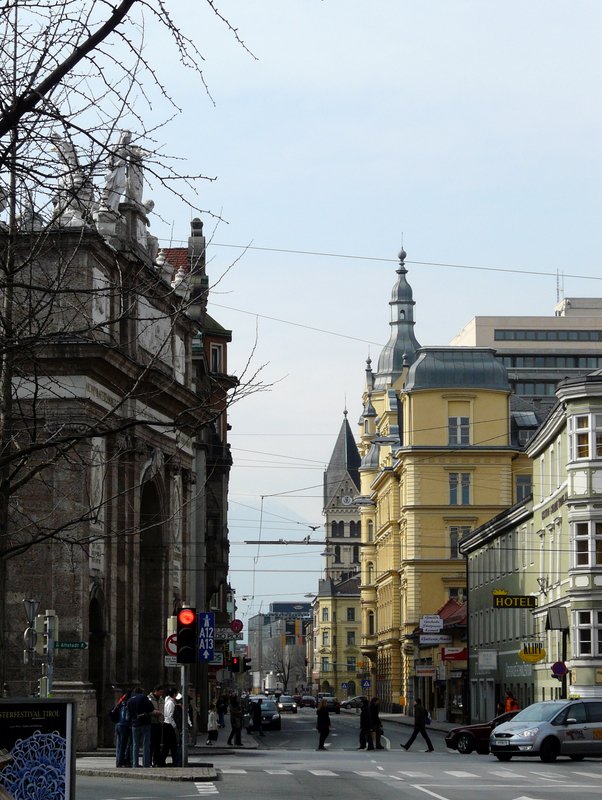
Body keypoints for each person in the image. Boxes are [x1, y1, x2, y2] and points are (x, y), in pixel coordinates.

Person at [128, 687, 154, 767]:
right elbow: (151, 708)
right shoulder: (144, 698)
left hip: (135, 724)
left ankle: (135, 764)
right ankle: (145, 763)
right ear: (141, 692)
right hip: (145, 723)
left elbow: (129, 713)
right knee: (145, 744)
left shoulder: (130, 700)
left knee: (135, 745)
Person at [161, 688, 180, 766]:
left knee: (168, 745)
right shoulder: (170, 703)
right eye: (176, 694)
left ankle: (163, 761)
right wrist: (174, 726)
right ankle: (164, 761)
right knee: (171, 745)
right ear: (174, 694)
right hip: (169, 725)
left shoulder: (169, 702)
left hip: (167, 724)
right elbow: (169, 715)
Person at [148, 685, 165, 767]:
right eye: (160, 692)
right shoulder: (149, 698)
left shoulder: (161, 699)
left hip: (159, 723)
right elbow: (148, 710)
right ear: (156, 691)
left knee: (158, 744)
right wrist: (155, 713)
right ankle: (149, 761)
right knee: (151, 743)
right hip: (152, 722)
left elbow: (163, 709)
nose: (161, 694)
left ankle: (156, 761)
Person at [114, 690, 132, 767]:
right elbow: (127, 717)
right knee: (123, 746)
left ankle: (118, 761)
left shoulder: (120, 703)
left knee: (119, 745)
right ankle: (121, 762)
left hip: (118, 725)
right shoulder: (127, 704)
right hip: (124, 726)